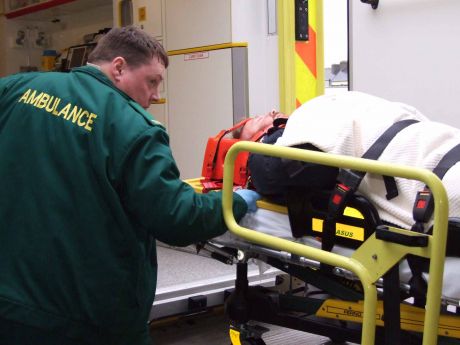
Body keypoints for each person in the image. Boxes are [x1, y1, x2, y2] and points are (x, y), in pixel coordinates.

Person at [0, 26, 260, 345]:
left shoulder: (16, 89)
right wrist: (236, 201)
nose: (155, 95)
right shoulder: (133, 127)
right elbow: (177, 217)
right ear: (119, 67)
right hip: (89, 317)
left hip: (9, 301)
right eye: (152, 81)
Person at [249, 91, 460, 231]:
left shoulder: (318, 114)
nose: (270, 112)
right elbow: (271, 170)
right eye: (252, 121)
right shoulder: (304, 141)